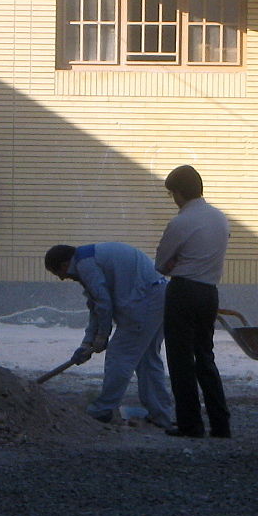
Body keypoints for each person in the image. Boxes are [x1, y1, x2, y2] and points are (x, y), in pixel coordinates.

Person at [44, 242, 173, 428]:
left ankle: (102, 410)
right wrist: (87, 343)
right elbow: (96, 306)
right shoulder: (88, 258)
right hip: (157, 294)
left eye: (59, 274)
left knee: (119, 355)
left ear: (64, 265)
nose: (63, 279)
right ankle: (160, 414)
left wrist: (102, 337)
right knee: (147, 359)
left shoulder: (84, 264)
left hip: (145, 299)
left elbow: (103, 303)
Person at [155, 165, 231, 438]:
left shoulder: (180, 222)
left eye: (172, 193)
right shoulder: (221, 218)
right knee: (205, 356)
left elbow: (161, 263)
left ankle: (190, 423)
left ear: (178, 193)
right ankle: (221, 423)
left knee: (180, 359)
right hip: (209, 292)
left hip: (183, 292)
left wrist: (177, 262)